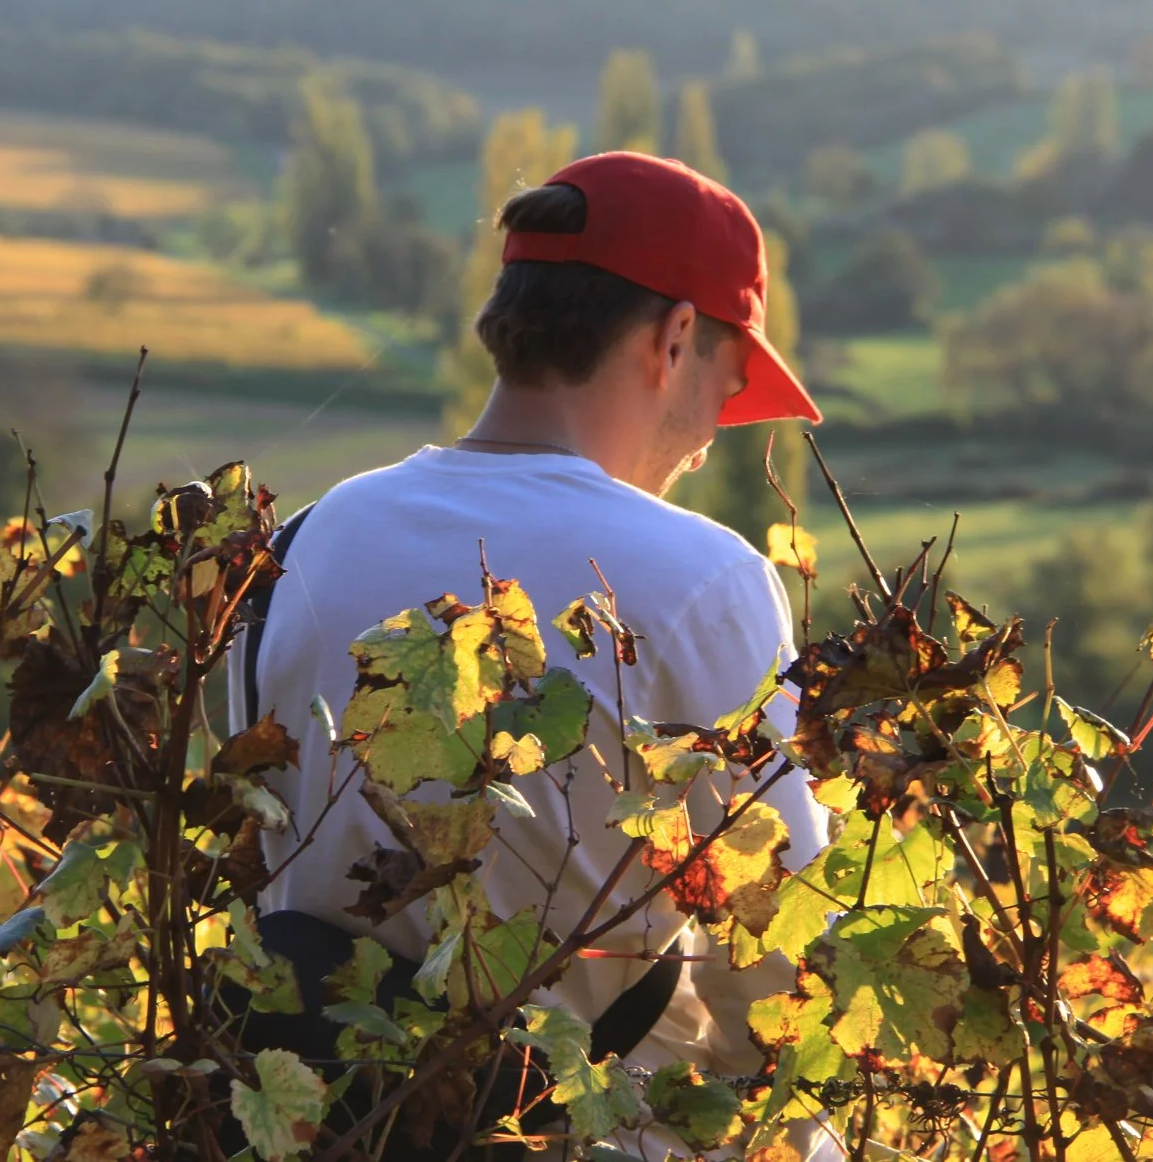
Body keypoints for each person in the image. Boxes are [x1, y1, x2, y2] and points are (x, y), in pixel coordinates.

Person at [234, 151, 830, 1122]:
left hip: (310, 1128)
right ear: (675, 336)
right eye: (728, 391)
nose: (715, 434)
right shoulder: (704, 579)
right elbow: (781, 975)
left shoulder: (306, 538)